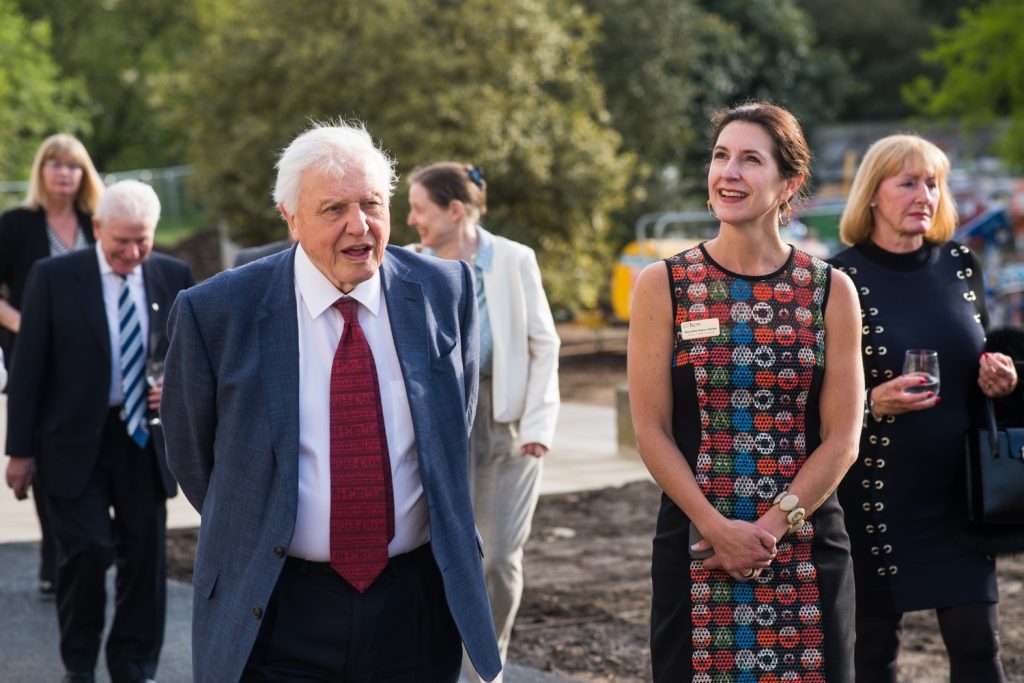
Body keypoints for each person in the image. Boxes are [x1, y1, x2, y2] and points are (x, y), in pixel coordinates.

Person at [160, 122, 502, 683]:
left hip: (414, 606)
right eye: (333, 209)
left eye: (372, 203)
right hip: (277, 605)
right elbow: (196, 460)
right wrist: (268, 518)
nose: (359, 226)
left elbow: (450, 433)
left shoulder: (447, 292)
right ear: (289, 217)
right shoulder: (217, 312)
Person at [627, 102, 863, 682]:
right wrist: (717, 529)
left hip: (803, 548)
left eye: (750, 160)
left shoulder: (831, 290)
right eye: (720, 156)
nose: (728, 173)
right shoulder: (664, 286)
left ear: (790, 183)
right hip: (698, 547)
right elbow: (651, 431)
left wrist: (768, 530)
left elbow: (843, 438)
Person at [829, 133, 1017, 682]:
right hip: (874, 497)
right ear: (872, 195)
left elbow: (979, 362)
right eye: (907, 182)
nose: (924, 195)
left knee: (980, 651)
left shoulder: (962, 266)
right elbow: (811, 391)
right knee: (873, 655)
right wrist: (871, 402)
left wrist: (1003, 379)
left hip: (959, 495)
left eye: (933, 183)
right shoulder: (838, 279)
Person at [4, 179, 195, 683]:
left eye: (143, 240)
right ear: (97, 229)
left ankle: (133, 665)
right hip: (71, 440)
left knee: (144, 556)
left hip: (141, 438)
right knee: (88, 551)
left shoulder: (173, 274)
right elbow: (28, 368)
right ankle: (80, 665)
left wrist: (171, 388)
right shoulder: (54, 276)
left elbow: (189, 359)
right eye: (121, 242)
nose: (133, 252)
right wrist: (19, 452)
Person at [406, 162, 561, 682]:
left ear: (454, 211)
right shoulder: (409, 265)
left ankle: (484, 671)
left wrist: (539, 425)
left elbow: (545, 344)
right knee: (437, 555)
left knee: (497, 559)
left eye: (419, 209)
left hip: (506, 426)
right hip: (438, 426)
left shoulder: (514, 260)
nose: (410, 221)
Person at [0, 133, 104, 596]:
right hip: (34, 357)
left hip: (91, 361)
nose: (64, 172)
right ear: (41, 171)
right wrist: (28, 325)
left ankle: (86, 546)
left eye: (74, 165)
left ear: (85, 174)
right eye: (55, 163)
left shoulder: (97, 222)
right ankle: (54, 555)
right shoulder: (17, 224)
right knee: (44, 449)